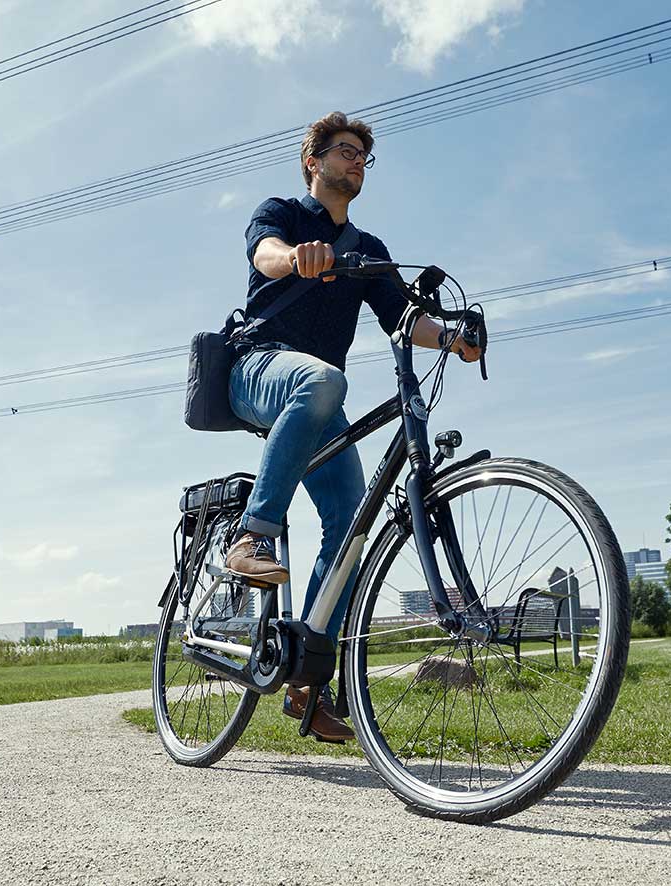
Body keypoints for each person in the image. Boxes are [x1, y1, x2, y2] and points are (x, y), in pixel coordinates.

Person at [225, 111, 481, 741]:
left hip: (317, 393)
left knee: (352, 524)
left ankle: (308, 684)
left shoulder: (368, 248)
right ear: (313, 161)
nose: (356, 162)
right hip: (258, 366)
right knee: (323, 380)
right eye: (344, 152)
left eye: (363, 156)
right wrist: (297, 258)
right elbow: (265, 254)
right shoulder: (281, 211)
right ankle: (252, 537)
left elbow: (403, 319)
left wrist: (451, 337)